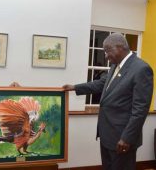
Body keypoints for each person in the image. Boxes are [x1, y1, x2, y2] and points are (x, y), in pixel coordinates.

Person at [63, 33, 153, 170]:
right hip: (107, 135)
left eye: (107, 50)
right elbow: (101, 84)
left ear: (119, 47)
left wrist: (127, 138)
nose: (106, 55)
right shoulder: (115, 66)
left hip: (122, 138)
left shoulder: (141, 69)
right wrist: (75, 87)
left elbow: (140, 110)